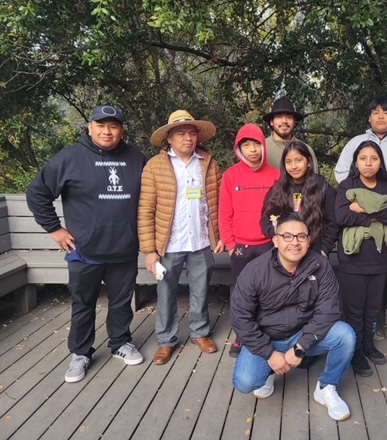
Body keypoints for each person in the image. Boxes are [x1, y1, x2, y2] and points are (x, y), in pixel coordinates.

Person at [26, 105, 147, 383]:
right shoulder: (69, 158)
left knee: (121, 303)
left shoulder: (136, 158)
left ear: (122, 130)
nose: (107, 131)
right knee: (83, 304)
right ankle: (80, 353)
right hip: (84, 251)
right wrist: (55, 229)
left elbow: (153, 196)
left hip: (124, 248)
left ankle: (120, 342)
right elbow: (37, 193)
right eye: (101, 125)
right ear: (90, 127)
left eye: (113, 126)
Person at [231, 212, 355, 421]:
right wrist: (270, 354)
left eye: (301, 236)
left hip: (302, 334)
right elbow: (240, 318)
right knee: (245, 382)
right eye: (287, 236)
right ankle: (269, 371)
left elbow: (329, 310)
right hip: (268, 338)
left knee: (345, 335)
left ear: (309, 240)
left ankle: (326, 386)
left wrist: (301, 347)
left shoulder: (320, 265)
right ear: (275, 240)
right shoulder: (255, 271)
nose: (294, 242)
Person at [138, 110, 224, 365]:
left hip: (200, 240)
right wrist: (150, 251)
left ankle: (200, 333)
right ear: (169, 138)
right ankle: (166, 340)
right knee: (166, 292)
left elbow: (220, 202)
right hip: (169, 243)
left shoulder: (208, 163)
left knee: (200, 289)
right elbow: (145, 210)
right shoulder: (155, 166)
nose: (188, 138)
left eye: (192, 133)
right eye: (181, 133)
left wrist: (220, 235)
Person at [334, 97, 387, 337]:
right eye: (376, 112)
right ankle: (361, 326)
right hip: (359, 220)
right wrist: (361, 192)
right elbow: (341, 172)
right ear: (369, 117)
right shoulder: (356, 143)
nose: (381, 116)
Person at [335, 141, 387, 376]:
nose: (368, 163)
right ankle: (354, 352)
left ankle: (368, 345)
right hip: (352, 261)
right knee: (354, 311)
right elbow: (341, 216)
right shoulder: (347, 185)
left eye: (374, 158)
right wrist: (374, 216)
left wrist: (361, 208)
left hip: (380, 260)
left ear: (380, 162)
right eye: (363, 158)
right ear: (356, 162)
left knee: (372, 309)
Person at [219, 123, 280, 357]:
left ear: (263, 145)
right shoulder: (230, 175)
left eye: (256, 144)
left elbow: (282, 211)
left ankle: (266, 332)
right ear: (239, 148)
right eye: (246, 145)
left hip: (267, 245)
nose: (252, 149)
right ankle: (241, 336)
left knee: (269, 292)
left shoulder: (275, 175)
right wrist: (230, 244)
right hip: (241, 247)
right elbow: (224, 212)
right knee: (242, 294)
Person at [260, 140, 338, 256]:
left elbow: (333, 223)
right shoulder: (278, 188)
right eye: (288, 162)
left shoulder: (322, 187)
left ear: (309, 162)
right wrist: (276, 233)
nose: (293, 166)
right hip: (285, 254)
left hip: (314, 253)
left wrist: (324, 249)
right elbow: (265, 219)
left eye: (298, 160)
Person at [263, 97, 318, 173]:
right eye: (279, 117)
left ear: (294, 121)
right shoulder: (261, 148)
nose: (284, 121)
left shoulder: (306, 150)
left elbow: (314, 179)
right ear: (271, 121)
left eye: (289, 117)